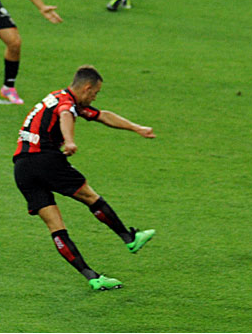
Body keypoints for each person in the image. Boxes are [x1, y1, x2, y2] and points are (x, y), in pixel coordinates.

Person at [13, 65, 156, 291]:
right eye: (95, 93)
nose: (94, 97)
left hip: (21, 168)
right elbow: (65, 115)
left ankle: (93, 277)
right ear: (87, 88)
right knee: (89, 196)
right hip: (43, 158)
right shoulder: (66, 102)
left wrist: (136, 128)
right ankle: (130, 239)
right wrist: (69, 141)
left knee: (56, 227)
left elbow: (103, 116)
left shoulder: (60, 99)